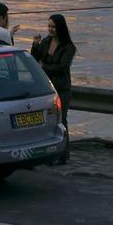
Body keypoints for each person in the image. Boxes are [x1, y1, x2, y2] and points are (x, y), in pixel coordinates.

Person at [31, 13, 76, 164]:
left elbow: (62, 67)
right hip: (46, 88)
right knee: (47, 121)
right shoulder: (46, 41)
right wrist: (35, 44)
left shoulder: (69, 47)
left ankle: (63, 154)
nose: (50, 29)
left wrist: (44, 67)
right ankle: (48, 153)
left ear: (60, 28)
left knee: (61, 120)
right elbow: (35, 58)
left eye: (53, 27)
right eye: (49, 26)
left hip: (62, 88)